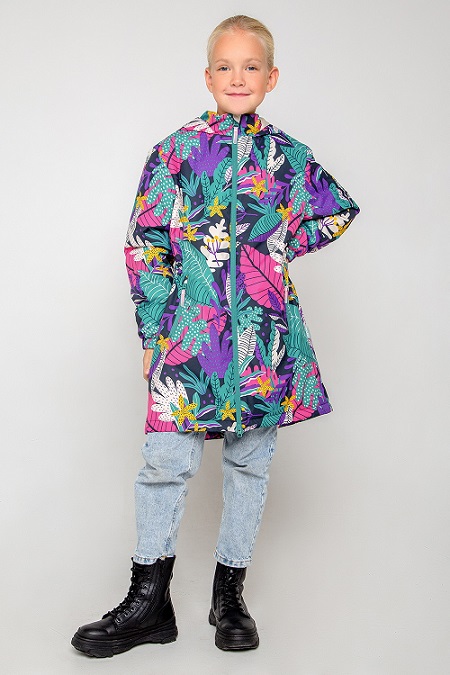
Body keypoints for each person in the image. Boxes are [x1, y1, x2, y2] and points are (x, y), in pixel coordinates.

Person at [71, 14, 360, 658]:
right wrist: (153, 331)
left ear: (272, 78)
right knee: (164, 463)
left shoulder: (288, 156)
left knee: (249, 464)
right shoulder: (175, 152)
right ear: (207, 77)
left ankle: (229, 597)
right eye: (225, 67)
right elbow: (146, 243)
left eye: (250, 67)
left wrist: (278, 248)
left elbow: (337, 209)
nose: (237, 77)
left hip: (262, 338)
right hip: (189, 335)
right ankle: (149, 603)